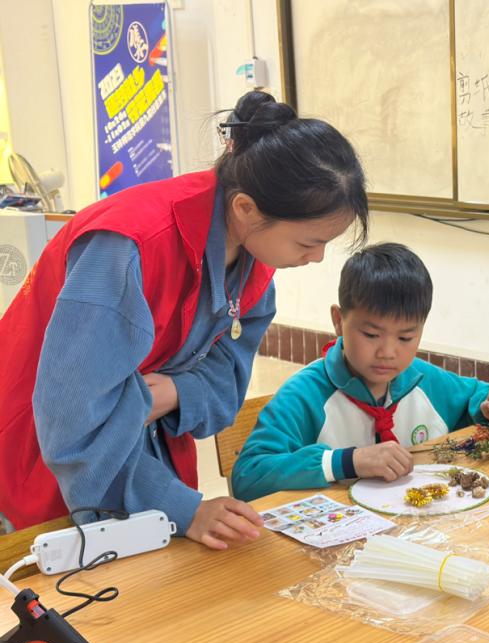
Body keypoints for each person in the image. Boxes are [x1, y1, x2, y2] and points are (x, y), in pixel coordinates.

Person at [0, 91, 368, 551]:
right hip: (44, 459)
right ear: (246, 209)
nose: (317, 258)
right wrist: (180, 507)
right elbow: (73, 421)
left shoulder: (255, 259)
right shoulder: (129, 246)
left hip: (143, 453)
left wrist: (176, 392)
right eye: (308, 243)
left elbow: (228, 382)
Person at [230, 242, 489, 501]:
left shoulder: (423, 379)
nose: (388, 352)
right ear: (338, 321)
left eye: (405, 337)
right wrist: (347, 462)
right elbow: (248, 476)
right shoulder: (305, 395)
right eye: (371, 335)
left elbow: (475, 398)